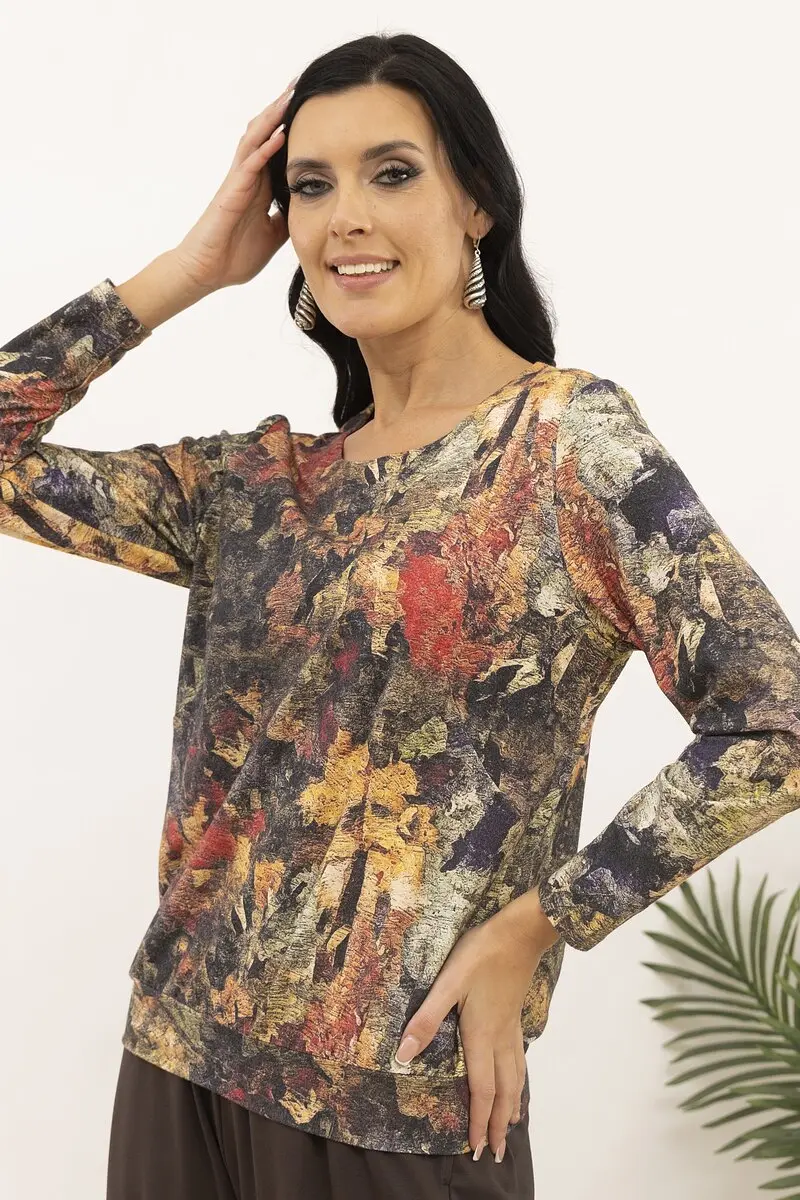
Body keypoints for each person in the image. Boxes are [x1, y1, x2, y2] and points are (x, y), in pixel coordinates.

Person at [2, 30, 799, 1200]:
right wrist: (186, 268)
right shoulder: (262, 488)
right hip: (179, 1064)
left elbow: (772, 718)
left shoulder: (563, 443)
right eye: (309, 186)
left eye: (390, 173)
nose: (345, 218)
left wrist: (541, 920)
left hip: (398, 1105)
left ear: (474, 202)